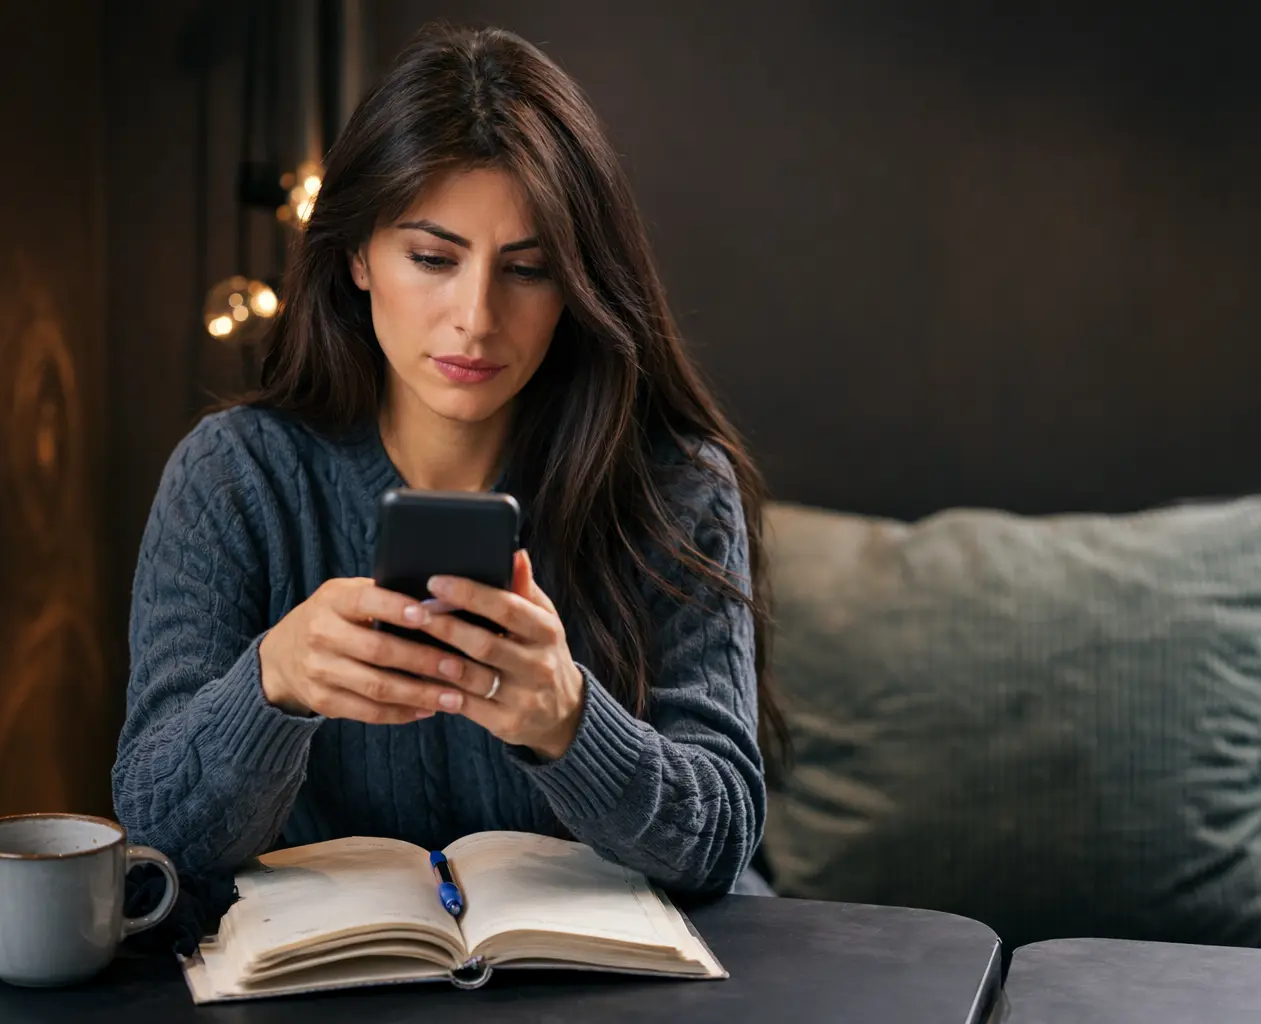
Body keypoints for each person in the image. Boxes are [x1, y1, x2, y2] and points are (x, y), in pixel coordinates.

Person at [111, 22, 784, 898]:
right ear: (356, 255)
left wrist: (569, 722)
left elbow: (723, 842)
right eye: (432, 258)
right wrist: (272, 683)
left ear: (577, 287)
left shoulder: (673, 483)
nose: (475, 317)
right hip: (339, 970)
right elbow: (157, 842)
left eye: (529, 270)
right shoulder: (233, 477)